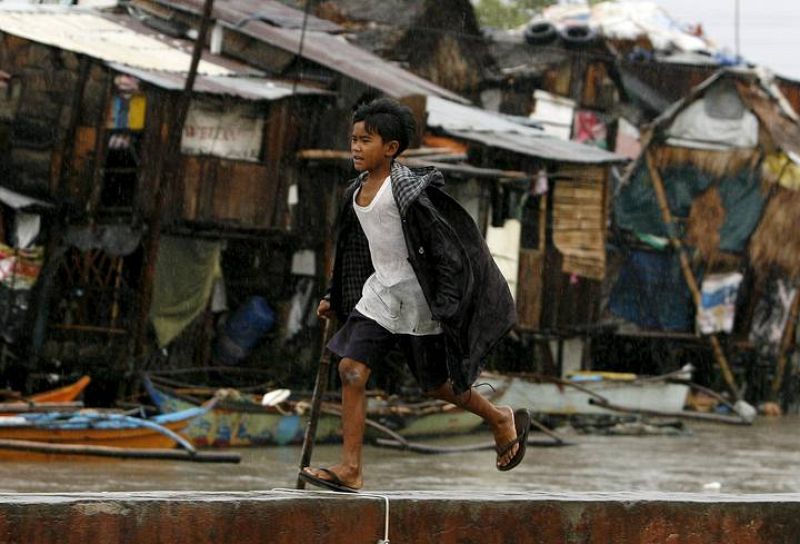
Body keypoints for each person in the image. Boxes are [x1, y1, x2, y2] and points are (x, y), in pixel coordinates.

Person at [299, 98, 529, 493]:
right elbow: (352, 249)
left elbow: (446, 250)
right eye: (353, 139)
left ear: (390, 148)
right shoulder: (354, 192)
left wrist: (449, 303)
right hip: (382, 295)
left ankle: (499, 419)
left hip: (420, 299)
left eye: (365, 140)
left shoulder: (407, 192)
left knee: (436, 386)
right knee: (350, 369)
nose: (355, 147)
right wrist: (333, 296)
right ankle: (350, 469)